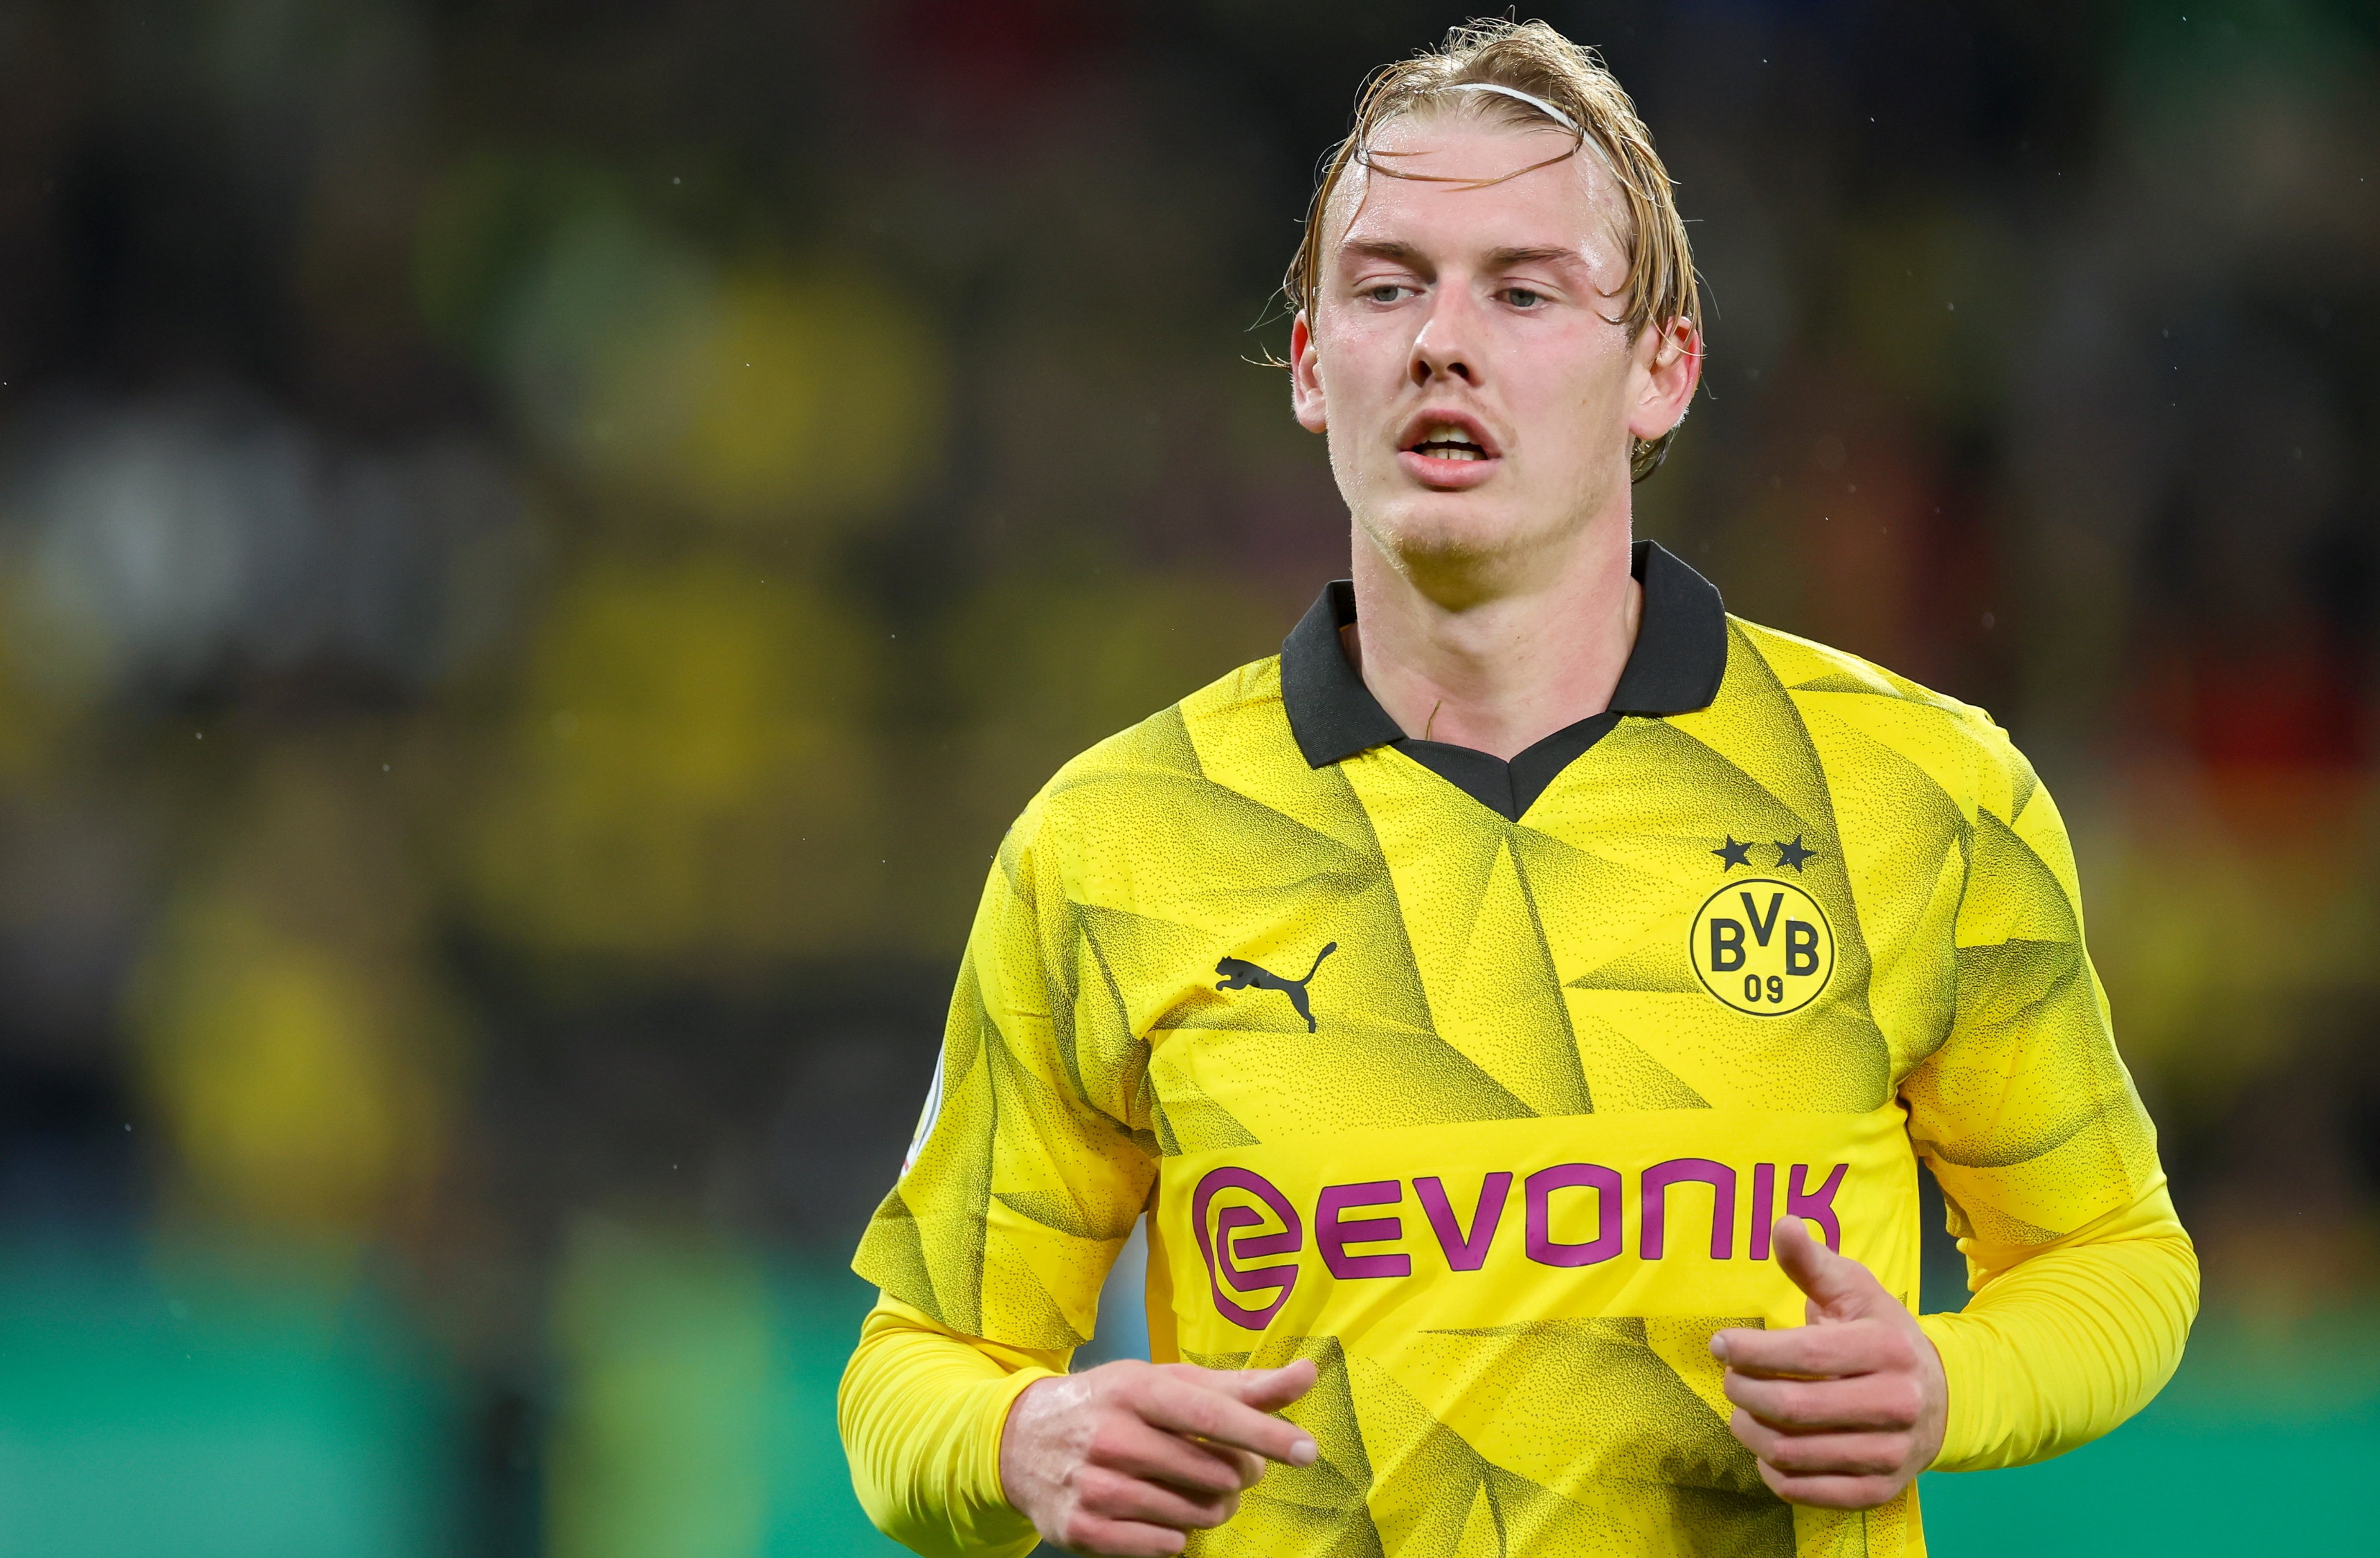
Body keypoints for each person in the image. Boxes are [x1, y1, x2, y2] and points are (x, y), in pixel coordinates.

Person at [837, 19, 2197, 1557]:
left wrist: (1953, 1381)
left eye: (1525, 290)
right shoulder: (1112, 841)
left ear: (1661, 370)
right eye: (1386, 285)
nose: (1440, 340)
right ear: (1310, 364)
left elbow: (2117, 1260)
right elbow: (911, 1368)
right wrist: (1021, 1435)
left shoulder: (1920, 792)